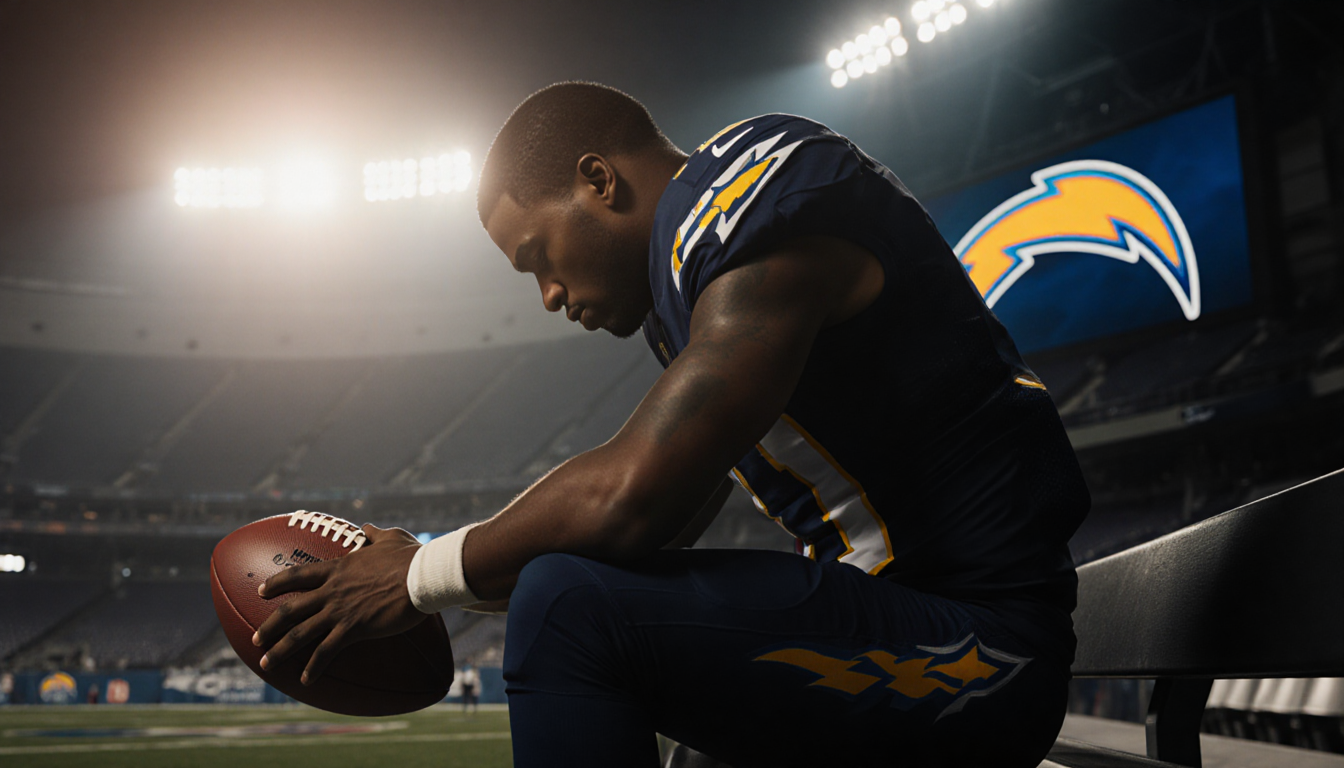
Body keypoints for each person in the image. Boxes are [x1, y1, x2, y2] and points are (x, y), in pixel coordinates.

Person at [253, 82, 1090, 768]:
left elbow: (633, 500)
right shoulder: (685, 298)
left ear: (599, 180)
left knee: (568, 608)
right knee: (652, 693)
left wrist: (419, 574)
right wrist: (434, 581)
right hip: (920, 637)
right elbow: (631, 538)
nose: (547, 296)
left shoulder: (744, 197)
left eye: (537, 256)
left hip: (982, 656)